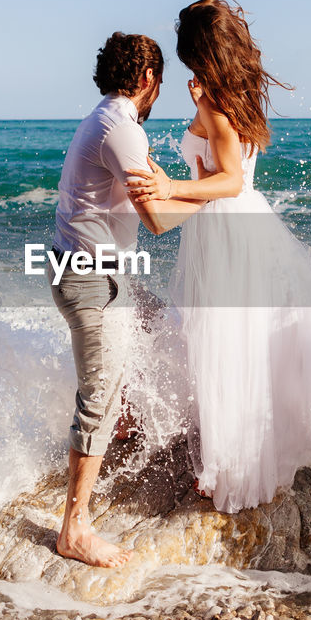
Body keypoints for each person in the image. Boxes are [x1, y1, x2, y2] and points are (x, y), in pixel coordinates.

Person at [127, 0, 311, 513]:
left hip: (226, 227)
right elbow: (225, 174)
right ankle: (233, 457)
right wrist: (189, 180)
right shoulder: (235, 92)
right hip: (237, 226)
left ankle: (229, 467)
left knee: (223, 340)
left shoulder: (213, 102)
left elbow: (229, 181)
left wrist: (171, 187)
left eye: (186, 52)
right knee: (234, 339)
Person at [50, 32, 203, 567]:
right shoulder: (121, 129)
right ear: (147, 80)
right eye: (159, 83)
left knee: (167, 329)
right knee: (98, 396)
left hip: (103, 273)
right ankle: (73, 529)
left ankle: (126, 436)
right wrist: (209, 197)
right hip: (91, 280)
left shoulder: (106, 119)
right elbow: (158, 220)